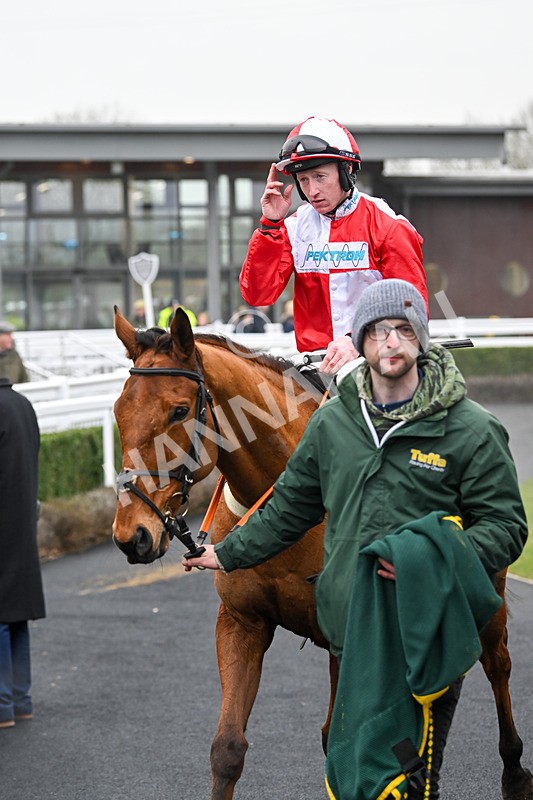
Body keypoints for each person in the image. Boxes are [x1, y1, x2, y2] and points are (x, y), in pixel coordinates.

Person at [182, 279, 527, 798]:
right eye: (378, 331)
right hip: (352, 633)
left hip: (424, 630)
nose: (391, 341)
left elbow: (507, 529)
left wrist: (428, 557)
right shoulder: (332, 425)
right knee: (350, 774)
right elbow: (289, 509)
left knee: (403, 779)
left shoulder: (471, 430)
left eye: (403, 329)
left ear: (421, 340)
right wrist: (226, 553)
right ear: (360, 343)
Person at [240, 116, 427, 374]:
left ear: (346, 171)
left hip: (377, 365)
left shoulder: (390, 226)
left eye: (319, 177)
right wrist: (271, 225)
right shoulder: (292, 228)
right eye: (303, 180)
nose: (312, 190)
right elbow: (258, 295)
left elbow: (411, 309)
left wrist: (358, 340)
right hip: (314, 371)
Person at [0, 376, 45, 729]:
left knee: (1, 616)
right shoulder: (23, 405)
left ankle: (2, 705)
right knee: (16, 615)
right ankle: (21, 699)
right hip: (23, 519)